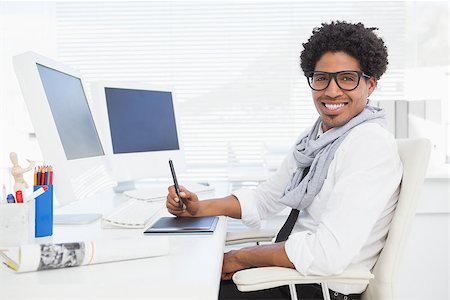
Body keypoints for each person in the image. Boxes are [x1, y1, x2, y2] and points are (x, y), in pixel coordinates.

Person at [166, 21, 402, 300]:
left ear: (370, 84)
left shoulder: (368, 145)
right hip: (291, 276)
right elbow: (268, 197)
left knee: (178, 289)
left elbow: (328, 254)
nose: (332, 91)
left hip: (318, 288)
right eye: (321, 77)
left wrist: (241, 258)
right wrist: (197, 208)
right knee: (176, 280)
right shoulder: (317, 137)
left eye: (347, 78)